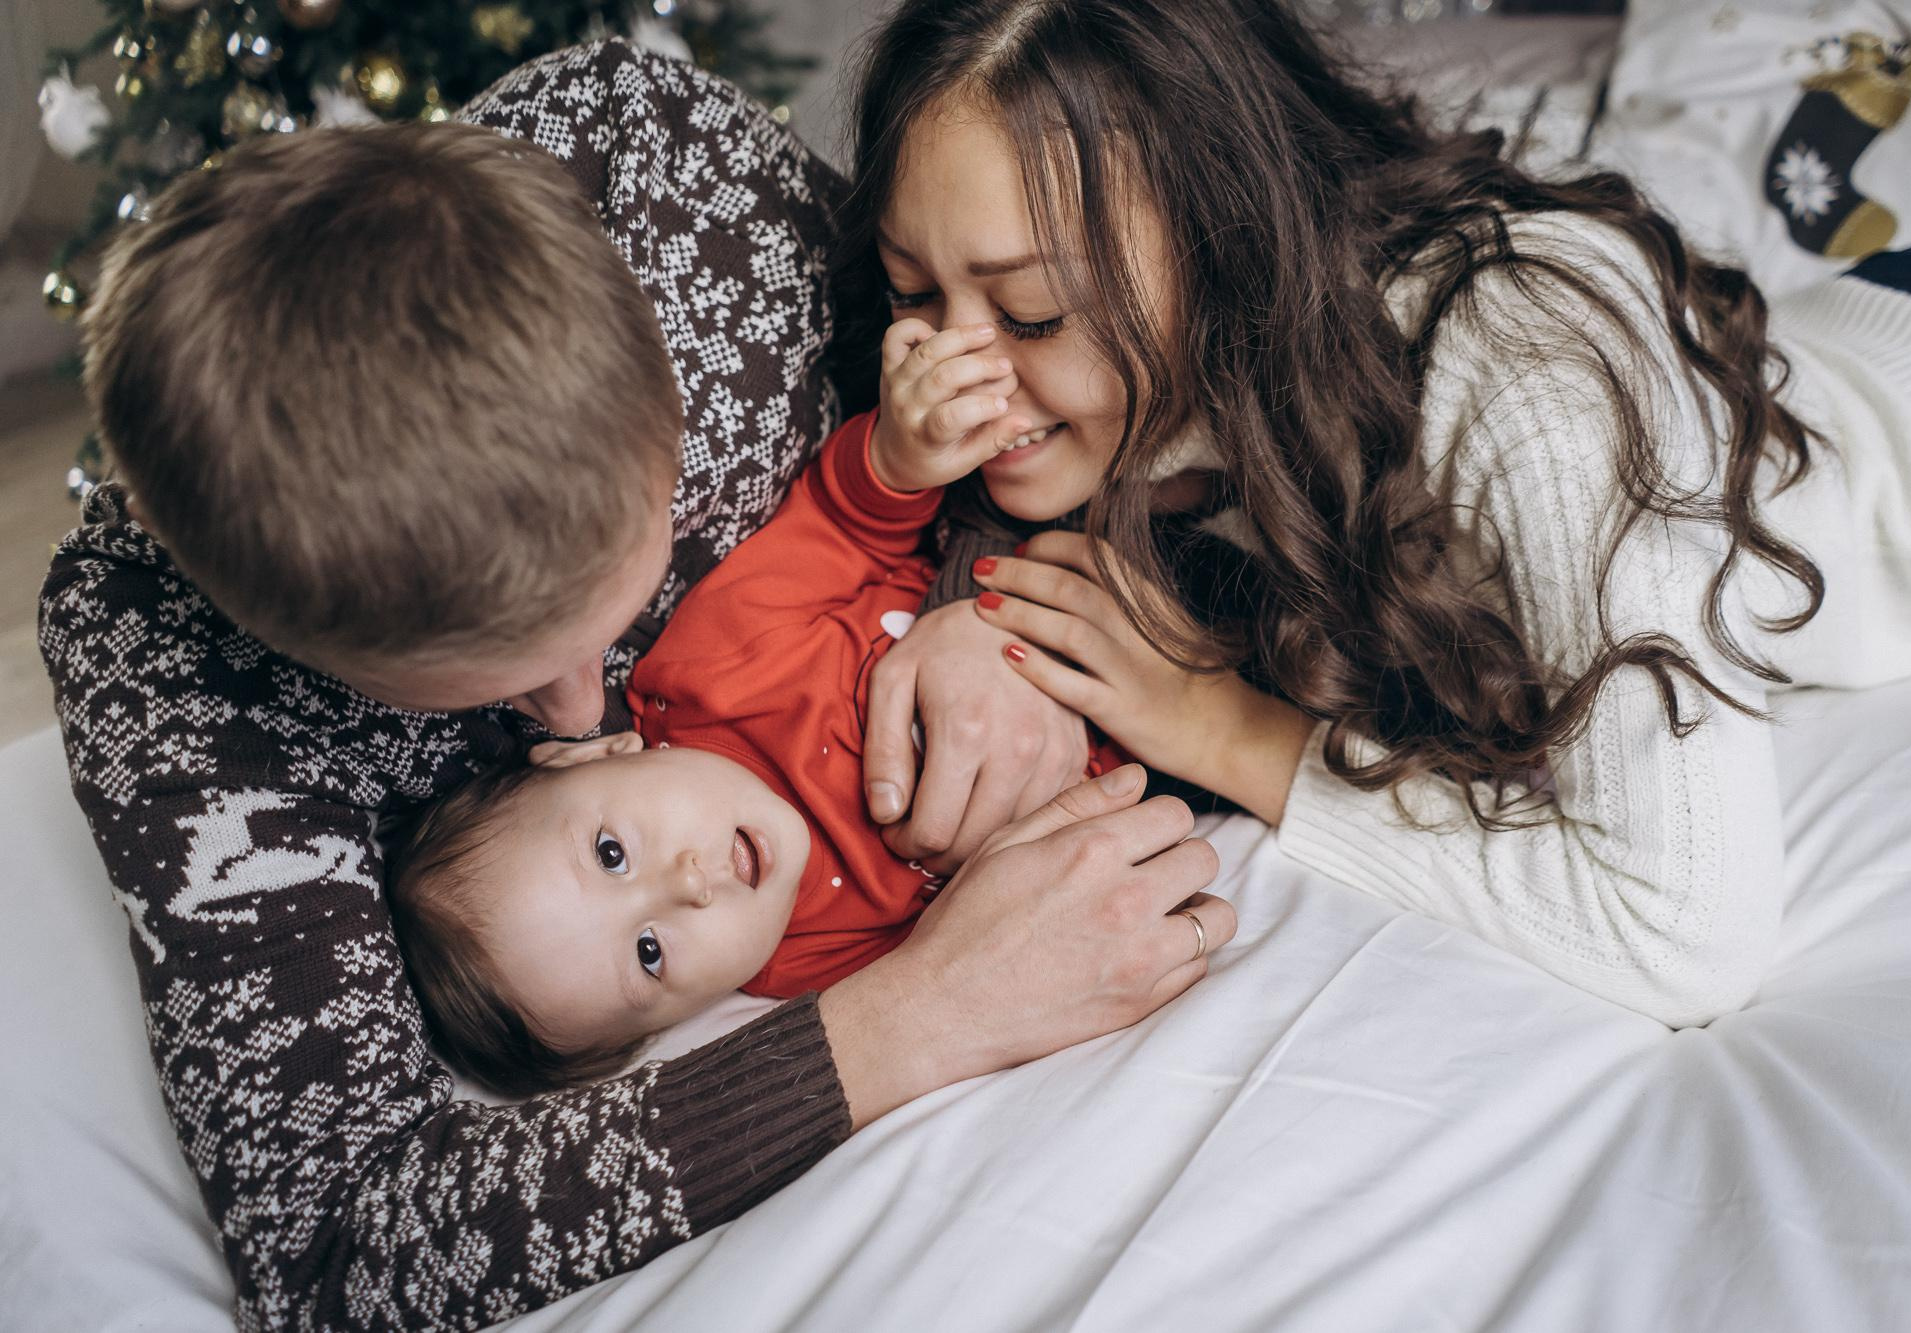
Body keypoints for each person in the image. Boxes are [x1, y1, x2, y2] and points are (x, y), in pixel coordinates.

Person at [39, 41, 1229, 1330]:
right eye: (480, 694)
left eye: (612, 611)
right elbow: (338, 1252)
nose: (582, 715)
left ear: (671, 396)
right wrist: (923, 1014)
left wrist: (983, 599)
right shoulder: (161, 648)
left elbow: (1001, 385)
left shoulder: (668, 184)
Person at [832, 0, 1911, 1029]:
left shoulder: (1526, 366)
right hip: (1840, 328)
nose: (946, 375)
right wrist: (973, 604)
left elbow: (1679, 931)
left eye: (1033, 314)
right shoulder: (1139, 383)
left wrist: (1227, 731)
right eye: (912, 292)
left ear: (1222, 240)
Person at [385, 381, 1221, 1096]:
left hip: (1052, 580)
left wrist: (893, 458)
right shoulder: (807, 967)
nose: (688, 884)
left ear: (595, 751)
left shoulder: (708, 671)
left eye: (612, 853)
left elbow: (843, 524)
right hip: (1162, 753)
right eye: (649, 952)